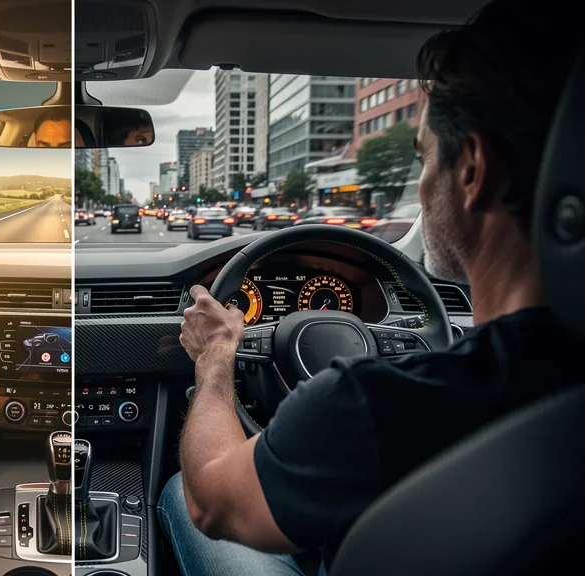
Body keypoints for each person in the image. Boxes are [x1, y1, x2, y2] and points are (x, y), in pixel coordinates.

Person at [160, 0, 582, 574]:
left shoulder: (370, 406)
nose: (423, 183)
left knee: (181, 489)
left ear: (472, 170)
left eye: (425, 158)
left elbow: (213, 501)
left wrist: (215, 357)